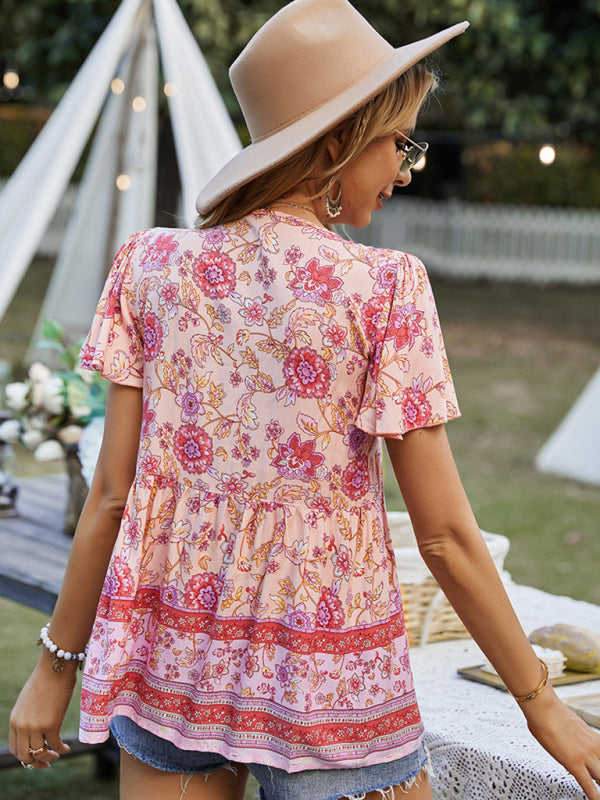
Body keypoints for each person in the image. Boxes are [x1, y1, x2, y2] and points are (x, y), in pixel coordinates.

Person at [9, 1, 600, 799]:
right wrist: (543, 708)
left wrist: (54, 670)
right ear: (336, 141)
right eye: (398, 143)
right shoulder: (384, 289)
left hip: (173, 657)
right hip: (331, 679)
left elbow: (112, 495)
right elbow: (449, 539)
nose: (405, 168)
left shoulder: (148, 266)